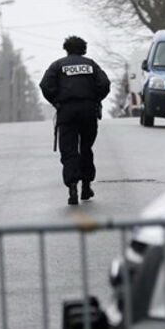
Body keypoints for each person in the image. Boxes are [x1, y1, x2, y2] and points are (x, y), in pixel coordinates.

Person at [39, 36, 110, 205]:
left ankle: (72, 187)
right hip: (88, 110)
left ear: (66, 49)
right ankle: (86, 185)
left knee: (69, 150)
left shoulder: (57, 65)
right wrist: (96, 99)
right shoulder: (91, 64)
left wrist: (56, 101)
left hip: (67, 111)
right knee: (86, 147)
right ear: (84, 49)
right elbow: (105, 84)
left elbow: (45, 85)